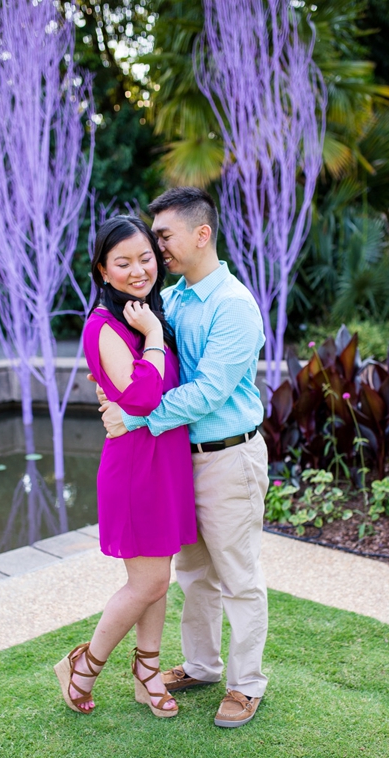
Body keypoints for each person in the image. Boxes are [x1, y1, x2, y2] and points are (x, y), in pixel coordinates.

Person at [97, 187, 269, 729]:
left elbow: (209, 392)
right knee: (194, 576)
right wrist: (109, 389)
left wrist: (137, 418)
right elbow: (135, 367)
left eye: (163, 238)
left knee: (238, 577)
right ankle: (201, 666)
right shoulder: (169, 301)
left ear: (202, 235)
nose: (156, 249)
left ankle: (246, 686)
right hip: (177, 461)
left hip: (228, 459)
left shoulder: (234, 306)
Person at [55, 215, 197, 719]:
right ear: (103, 269)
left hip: (166, 461)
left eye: (145, 258)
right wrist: (155, 335)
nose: (139, 270)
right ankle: (84, 666)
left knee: (159, 574)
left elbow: (154, 395)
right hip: (137, 469)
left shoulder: (147, 312)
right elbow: (141, 392)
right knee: (149, 582)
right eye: (124, 262)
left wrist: (154, 331)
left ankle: (148, 673)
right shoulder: (105, 324)